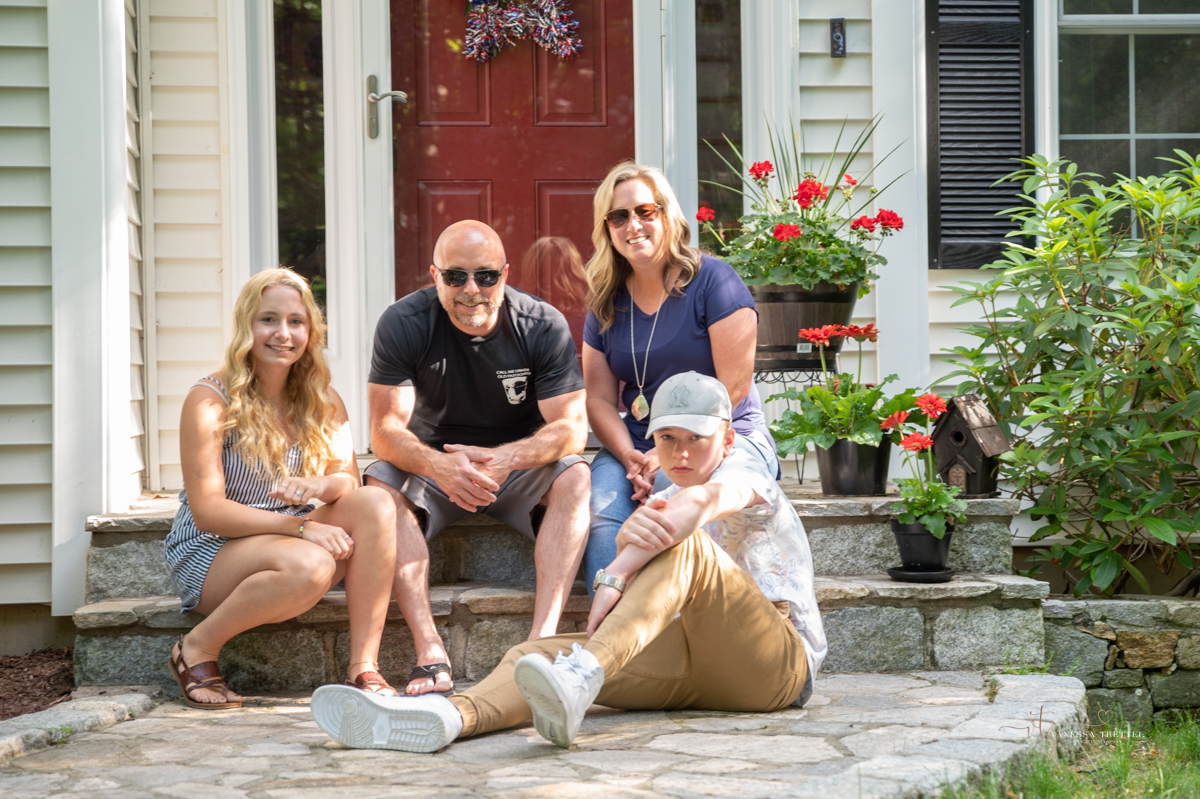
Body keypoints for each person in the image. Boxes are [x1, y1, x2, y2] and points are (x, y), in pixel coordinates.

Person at [309, 372, 825, 752]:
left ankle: (586, 673)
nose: (681, 453)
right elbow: (660, 559)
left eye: (697, 439)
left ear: (728, 439)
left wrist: (615, 572)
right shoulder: (664, 496)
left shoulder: (745, 474)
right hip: (691, 663)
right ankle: (444, 719)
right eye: (668, 438)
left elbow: (703, 504)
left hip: (775, 667)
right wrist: (628, 552)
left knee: (686, 545)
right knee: (534, 656)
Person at [365, 220, 591, 696]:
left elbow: (572, 429)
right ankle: (429, 649)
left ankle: (539, 646)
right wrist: (439, 465)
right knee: (379, 487)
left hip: (516, 467)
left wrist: (507, 458)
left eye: (485, 276)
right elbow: (384, 432)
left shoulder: (541, 324)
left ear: (504, 275)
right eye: (455, 276)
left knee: (576, 477)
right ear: (435, 276)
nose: (471, 290)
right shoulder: (403, 322)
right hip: (434, 467)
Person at [164, 268, 398, 709]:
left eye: (296, 322)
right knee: (311, 564)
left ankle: (363, 667)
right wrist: (303, 528)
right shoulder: (210, 400)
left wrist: (321, 483)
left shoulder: (323, 399)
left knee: (376, 502)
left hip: (287, 540)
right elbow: (209, 511)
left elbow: (348, 480)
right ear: (246, 326)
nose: (283, 334)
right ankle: (195, 647)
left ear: (310, 331)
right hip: (213, 550)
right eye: (268, 319)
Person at [581, 161, 779, 595]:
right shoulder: (605, 303)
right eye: (618, 216)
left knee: (667, 498)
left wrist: (665, 451)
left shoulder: (713, 281)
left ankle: (669, 623)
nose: (633, 225)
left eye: (644, 211)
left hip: (719, 436)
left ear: (667, 215)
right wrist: (631, 455)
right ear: (607, 229)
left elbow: (733, 387)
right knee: (600, 510)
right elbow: (598, 400)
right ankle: (613, 628)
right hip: (636, 444)